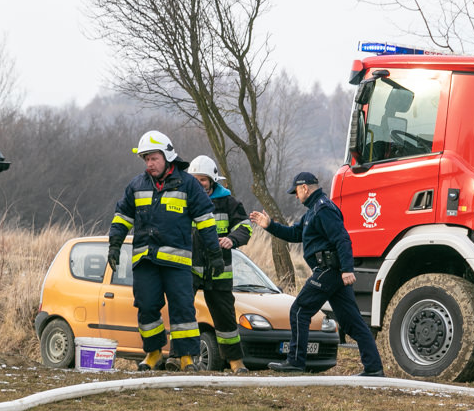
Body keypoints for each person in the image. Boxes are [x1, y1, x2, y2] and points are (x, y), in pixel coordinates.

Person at [108, 131, 224, 372]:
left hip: (177, 264)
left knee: (183, 309)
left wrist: (214, 253)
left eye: (153, 158)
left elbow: (205, 220)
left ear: (167, 156)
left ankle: (187, 358)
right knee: (146, 306)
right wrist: (114, 244)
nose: (149, 164)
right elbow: (122, 217)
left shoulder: (189, 184)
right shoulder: (136, 185)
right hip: (145, 260)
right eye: (146, 159)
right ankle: (152, 354)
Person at [249, 172, 384, 376]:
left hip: (329, 271)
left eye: (296, 192)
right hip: (332, 273)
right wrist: (270, 226)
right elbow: (295, 234)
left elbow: (342, 239)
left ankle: (295, 362)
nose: (296, 196)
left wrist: (348, 269)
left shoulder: (323, 209)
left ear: (304, 188)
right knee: (352, 322)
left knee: (299, 310)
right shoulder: (313, 211)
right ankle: (374, 368)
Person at [183, 155, 253, 374]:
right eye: (195, 180)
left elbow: (245, 227)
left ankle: (235, 362)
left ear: (212, 180)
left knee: (225, 318)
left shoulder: (228, 202)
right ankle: (182, 358)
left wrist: (232, 239)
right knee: (183, 314)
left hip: (219, 270)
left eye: (203, 180)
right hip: (189, 269)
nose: (199, 184)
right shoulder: (184, 200)